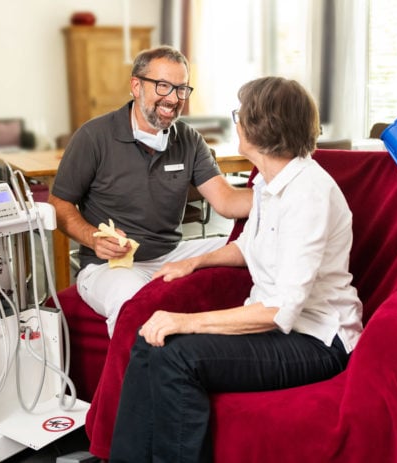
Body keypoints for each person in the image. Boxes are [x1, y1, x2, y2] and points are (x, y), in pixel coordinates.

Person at [108, 76, 364, 462]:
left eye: (241, 115)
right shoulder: (269, 182)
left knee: (177, 354)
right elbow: (250, 246)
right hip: (281, 326)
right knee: (150, 340)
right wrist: (194, 261)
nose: (237, 122)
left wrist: (186, 321)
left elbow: (280, 311)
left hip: (316, 340)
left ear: (264, 126)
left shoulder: (308, 194)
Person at [48, 46, 252, 336]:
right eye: (163, 86)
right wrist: (92, 238)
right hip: (110, 266)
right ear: (136, 86)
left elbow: (227, 200)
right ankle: (137, 377)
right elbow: (58, 204)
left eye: (181, 89)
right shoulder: (94, 136)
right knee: (134, 299)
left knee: (248, 249)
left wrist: (283, 192)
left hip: (171, 255)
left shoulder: (189, 140)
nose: (173, 98)